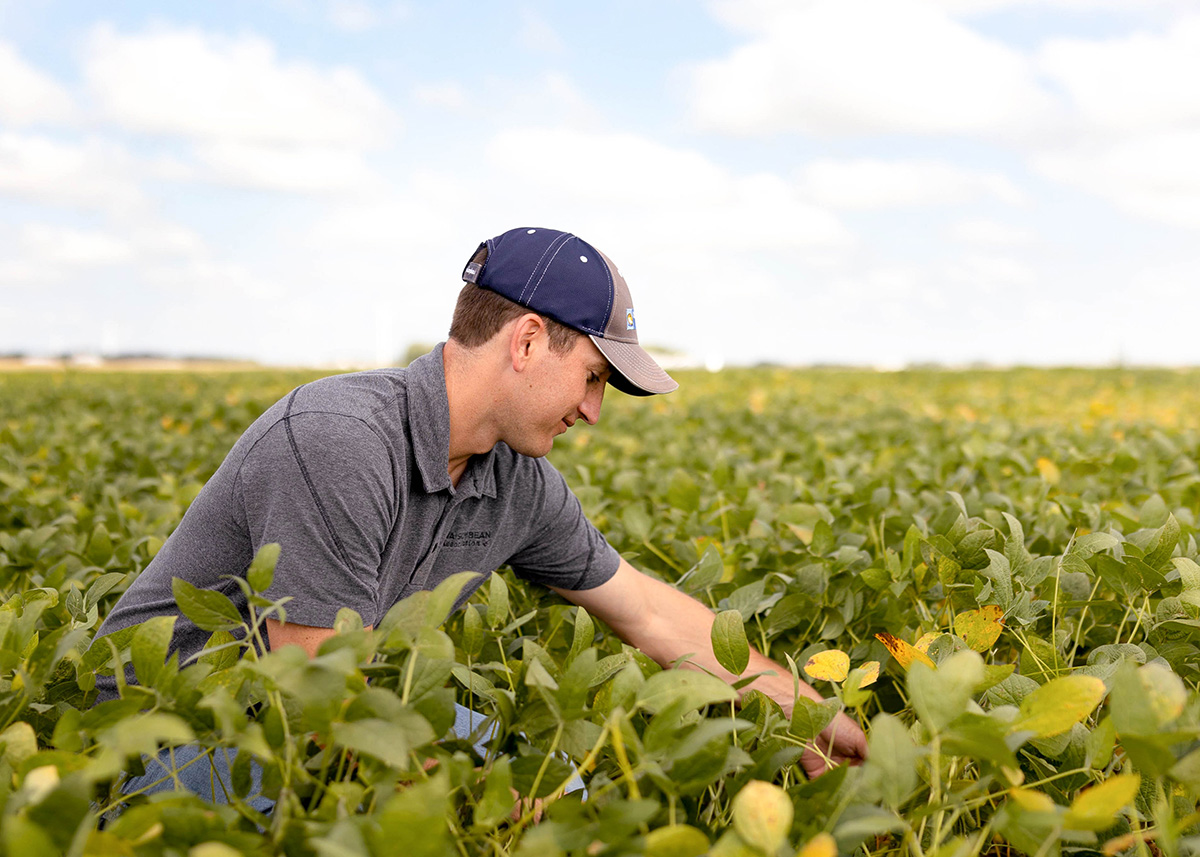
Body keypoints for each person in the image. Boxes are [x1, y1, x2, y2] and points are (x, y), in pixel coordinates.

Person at [93, 227, 866, 805]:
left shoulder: (518, 479)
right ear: (529, 340)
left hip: (298, 717)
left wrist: (805, 711)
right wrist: (484, 812)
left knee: (561, 784)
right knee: (466, 808)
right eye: (593, 378)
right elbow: (320, 695)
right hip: (158, 739)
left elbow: (648, 614)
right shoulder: (339, 438)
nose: (594, 412)